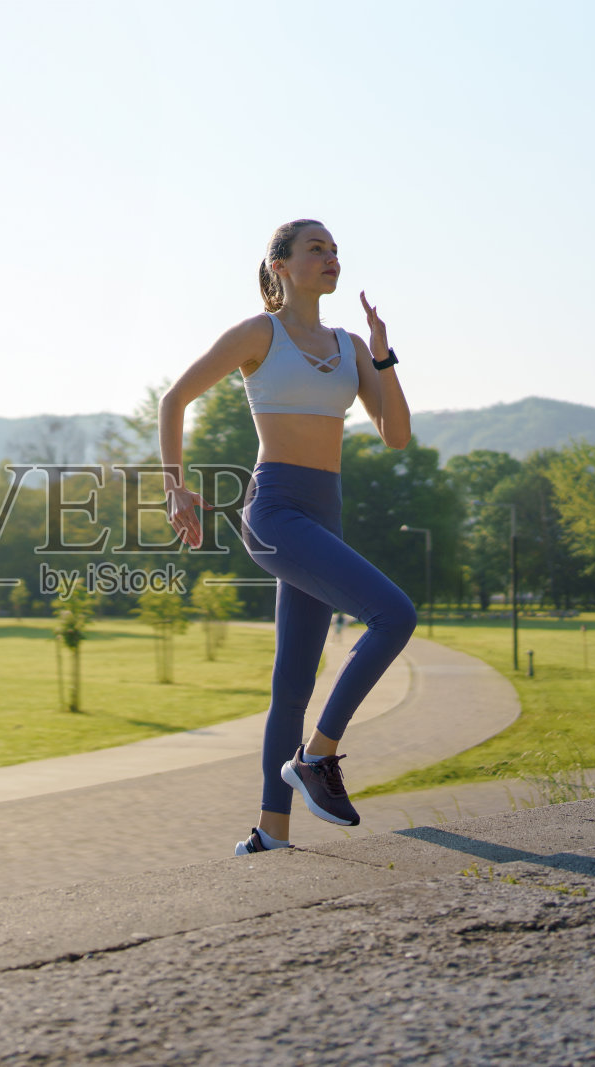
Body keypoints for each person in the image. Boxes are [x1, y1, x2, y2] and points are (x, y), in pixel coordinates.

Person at [159, 218, 418, 856]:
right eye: (315, 248)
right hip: (274, 511)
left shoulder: (349, 344)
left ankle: (270, 834)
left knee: (293, 684)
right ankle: (317, 757)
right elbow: (174, 400)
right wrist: (175, 487)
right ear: (280, 265)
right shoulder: (259, 334)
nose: (331, 258)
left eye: (335, 250)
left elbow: (395, 435)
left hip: (324, 513)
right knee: (394, 615)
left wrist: (382, 356)